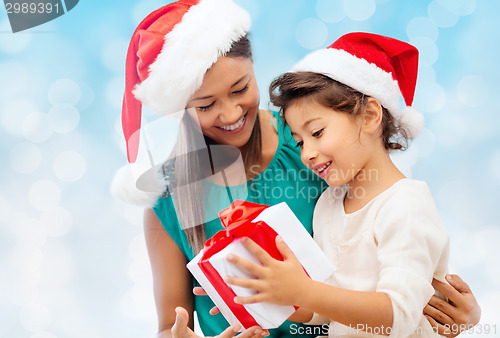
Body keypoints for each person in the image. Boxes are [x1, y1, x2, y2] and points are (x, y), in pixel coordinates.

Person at [111, 0, 481, 336]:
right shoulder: (170, 198)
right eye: (205, 105)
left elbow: (393, 242)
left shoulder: (312, 141)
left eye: (240, 89)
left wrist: (458, 313)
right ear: (179, 107)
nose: (230, 113)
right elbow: (170, 325)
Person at [222, 33, 481, 337]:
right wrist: (273, 291)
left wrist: (304, 291)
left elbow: (399, 317)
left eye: (317, 132)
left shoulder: (406, 205)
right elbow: (325, 309)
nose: (308, 154)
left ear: (370, 116)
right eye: (299, 141)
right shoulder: (328, 204)